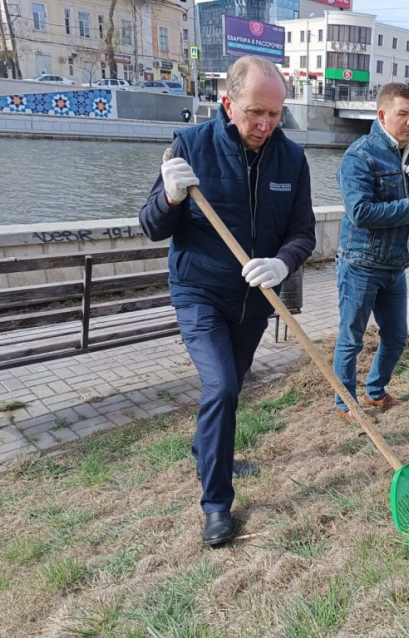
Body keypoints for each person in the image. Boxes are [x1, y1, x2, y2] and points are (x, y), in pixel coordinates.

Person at [139, 55, 316, 546]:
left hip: (256, 297)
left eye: (275, 114)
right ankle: (217, 504)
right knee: (221, 387)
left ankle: (206, 446)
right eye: (255, 112)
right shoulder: (190, 147)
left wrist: (281, 263)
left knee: (233, 383)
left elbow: (304, 233)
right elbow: (153, 228)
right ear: (227, 103)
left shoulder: (292, 159)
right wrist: (170, 197)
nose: (265, 124)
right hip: (201, 291)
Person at [332, 82, 409, 423]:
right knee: (351, 339)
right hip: (360, 264)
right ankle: (346, 403)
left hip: (396, 265)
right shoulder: (360, 155)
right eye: (402, 114)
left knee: (396, 336)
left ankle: (374, 392)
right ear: (382, 115)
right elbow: (360, 213)